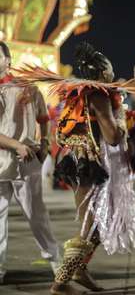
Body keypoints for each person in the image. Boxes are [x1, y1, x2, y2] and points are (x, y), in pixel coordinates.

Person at [13, 42, 135, 295]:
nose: (112, 71)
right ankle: (60, 283)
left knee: (97, 224)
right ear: (101, 72)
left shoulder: (80, 93)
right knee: (88, 224)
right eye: (108, 67)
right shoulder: (99, 95)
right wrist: (122, 119)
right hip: (91, 164)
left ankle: (80, 270)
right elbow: (113, 137)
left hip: (82, 161)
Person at [0, 41, 60, 283]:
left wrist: (45, 141)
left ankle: (57, 262)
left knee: (37, 215)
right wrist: (17, 145)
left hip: (27, 161)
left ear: (8, 60)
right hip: (4, 160)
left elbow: (44, 117)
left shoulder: (28, 88)